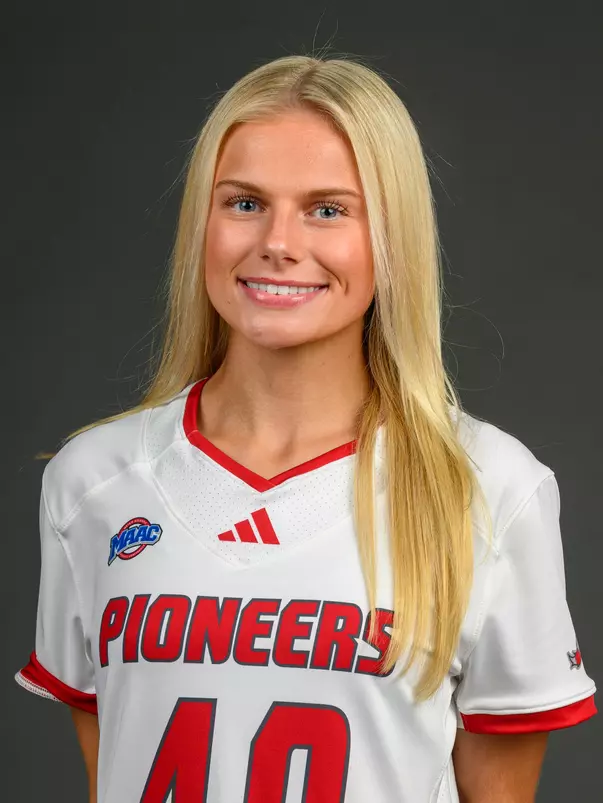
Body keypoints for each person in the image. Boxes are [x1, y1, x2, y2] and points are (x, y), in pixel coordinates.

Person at [15, 53, 597, 803]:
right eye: (244, 202)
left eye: (328, 209)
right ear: (202, 223)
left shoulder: (487, 488)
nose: (278, 241)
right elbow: (112, 772)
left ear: (391, 240)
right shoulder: (92, 481)